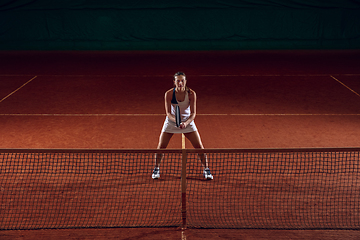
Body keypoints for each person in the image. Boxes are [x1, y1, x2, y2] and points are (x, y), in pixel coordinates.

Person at [152, 71, 213, 180]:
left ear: (185, 81)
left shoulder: (191, 94)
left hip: (187, 122)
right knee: (161, 147)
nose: (180, 83)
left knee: (199, 147)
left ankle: (206, 170)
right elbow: (168, 113)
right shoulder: (169, 94)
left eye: (182, 81)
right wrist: (176, 121)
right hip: (171, 122)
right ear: (174, 82)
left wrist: (185, 123)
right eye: (178, 81)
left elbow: (193, 113)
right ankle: (156, 169)